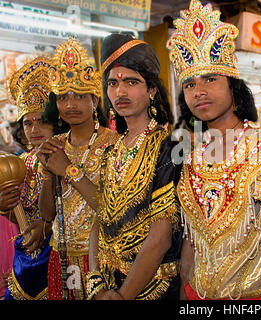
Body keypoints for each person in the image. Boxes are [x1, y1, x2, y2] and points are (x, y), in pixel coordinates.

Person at [167, 0, 261, 300]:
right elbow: (191, 245)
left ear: (233, 85)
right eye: (189, 85)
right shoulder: (190, 158)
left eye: (210, 79)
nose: (198, 91)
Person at [86, 33, 181, 300]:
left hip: (152, 287)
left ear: (151, 90)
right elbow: (99, 219)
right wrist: (96, 283)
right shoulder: (112, 149)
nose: (120, 92)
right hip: (107, 283)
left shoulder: (170, 149)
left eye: (132, 82)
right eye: (113, 83)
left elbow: (160, 238)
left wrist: (122, 296)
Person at [37, 38, 118, 300]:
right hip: (60, 255)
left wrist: (69, 169)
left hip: (100, 257)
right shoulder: (54, 146)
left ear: (95, 100)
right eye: (63, 98)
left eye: (79, 96)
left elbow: (111, 210)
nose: (70, 105)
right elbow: (47, 214)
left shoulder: (114, 145)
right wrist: (50, 174)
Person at [1, 56, 57, 300]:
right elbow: (20, 213)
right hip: (28, 258)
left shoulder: (68, 156)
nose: (34, 129)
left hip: (59, 253)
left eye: (41, 121)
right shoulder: (21, 164)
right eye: (28, 123)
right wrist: (4, 208)